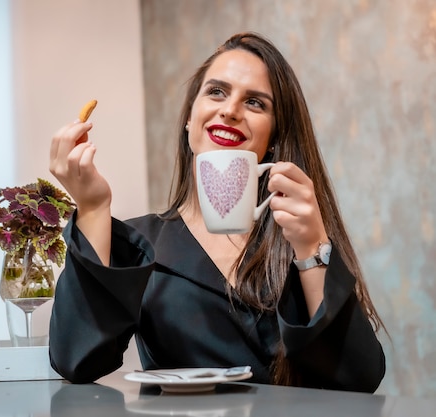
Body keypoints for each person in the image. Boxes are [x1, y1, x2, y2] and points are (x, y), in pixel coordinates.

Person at [47, 32, 386, 392]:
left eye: (255, 103)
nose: (230, 110)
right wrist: (94, 207)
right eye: (217, 92)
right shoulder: (141, 245)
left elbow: (360, 378)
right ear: (190, 119)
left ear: (272, 138)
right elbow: (76, 360)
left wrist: (313, 245)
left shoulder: (295, 237)